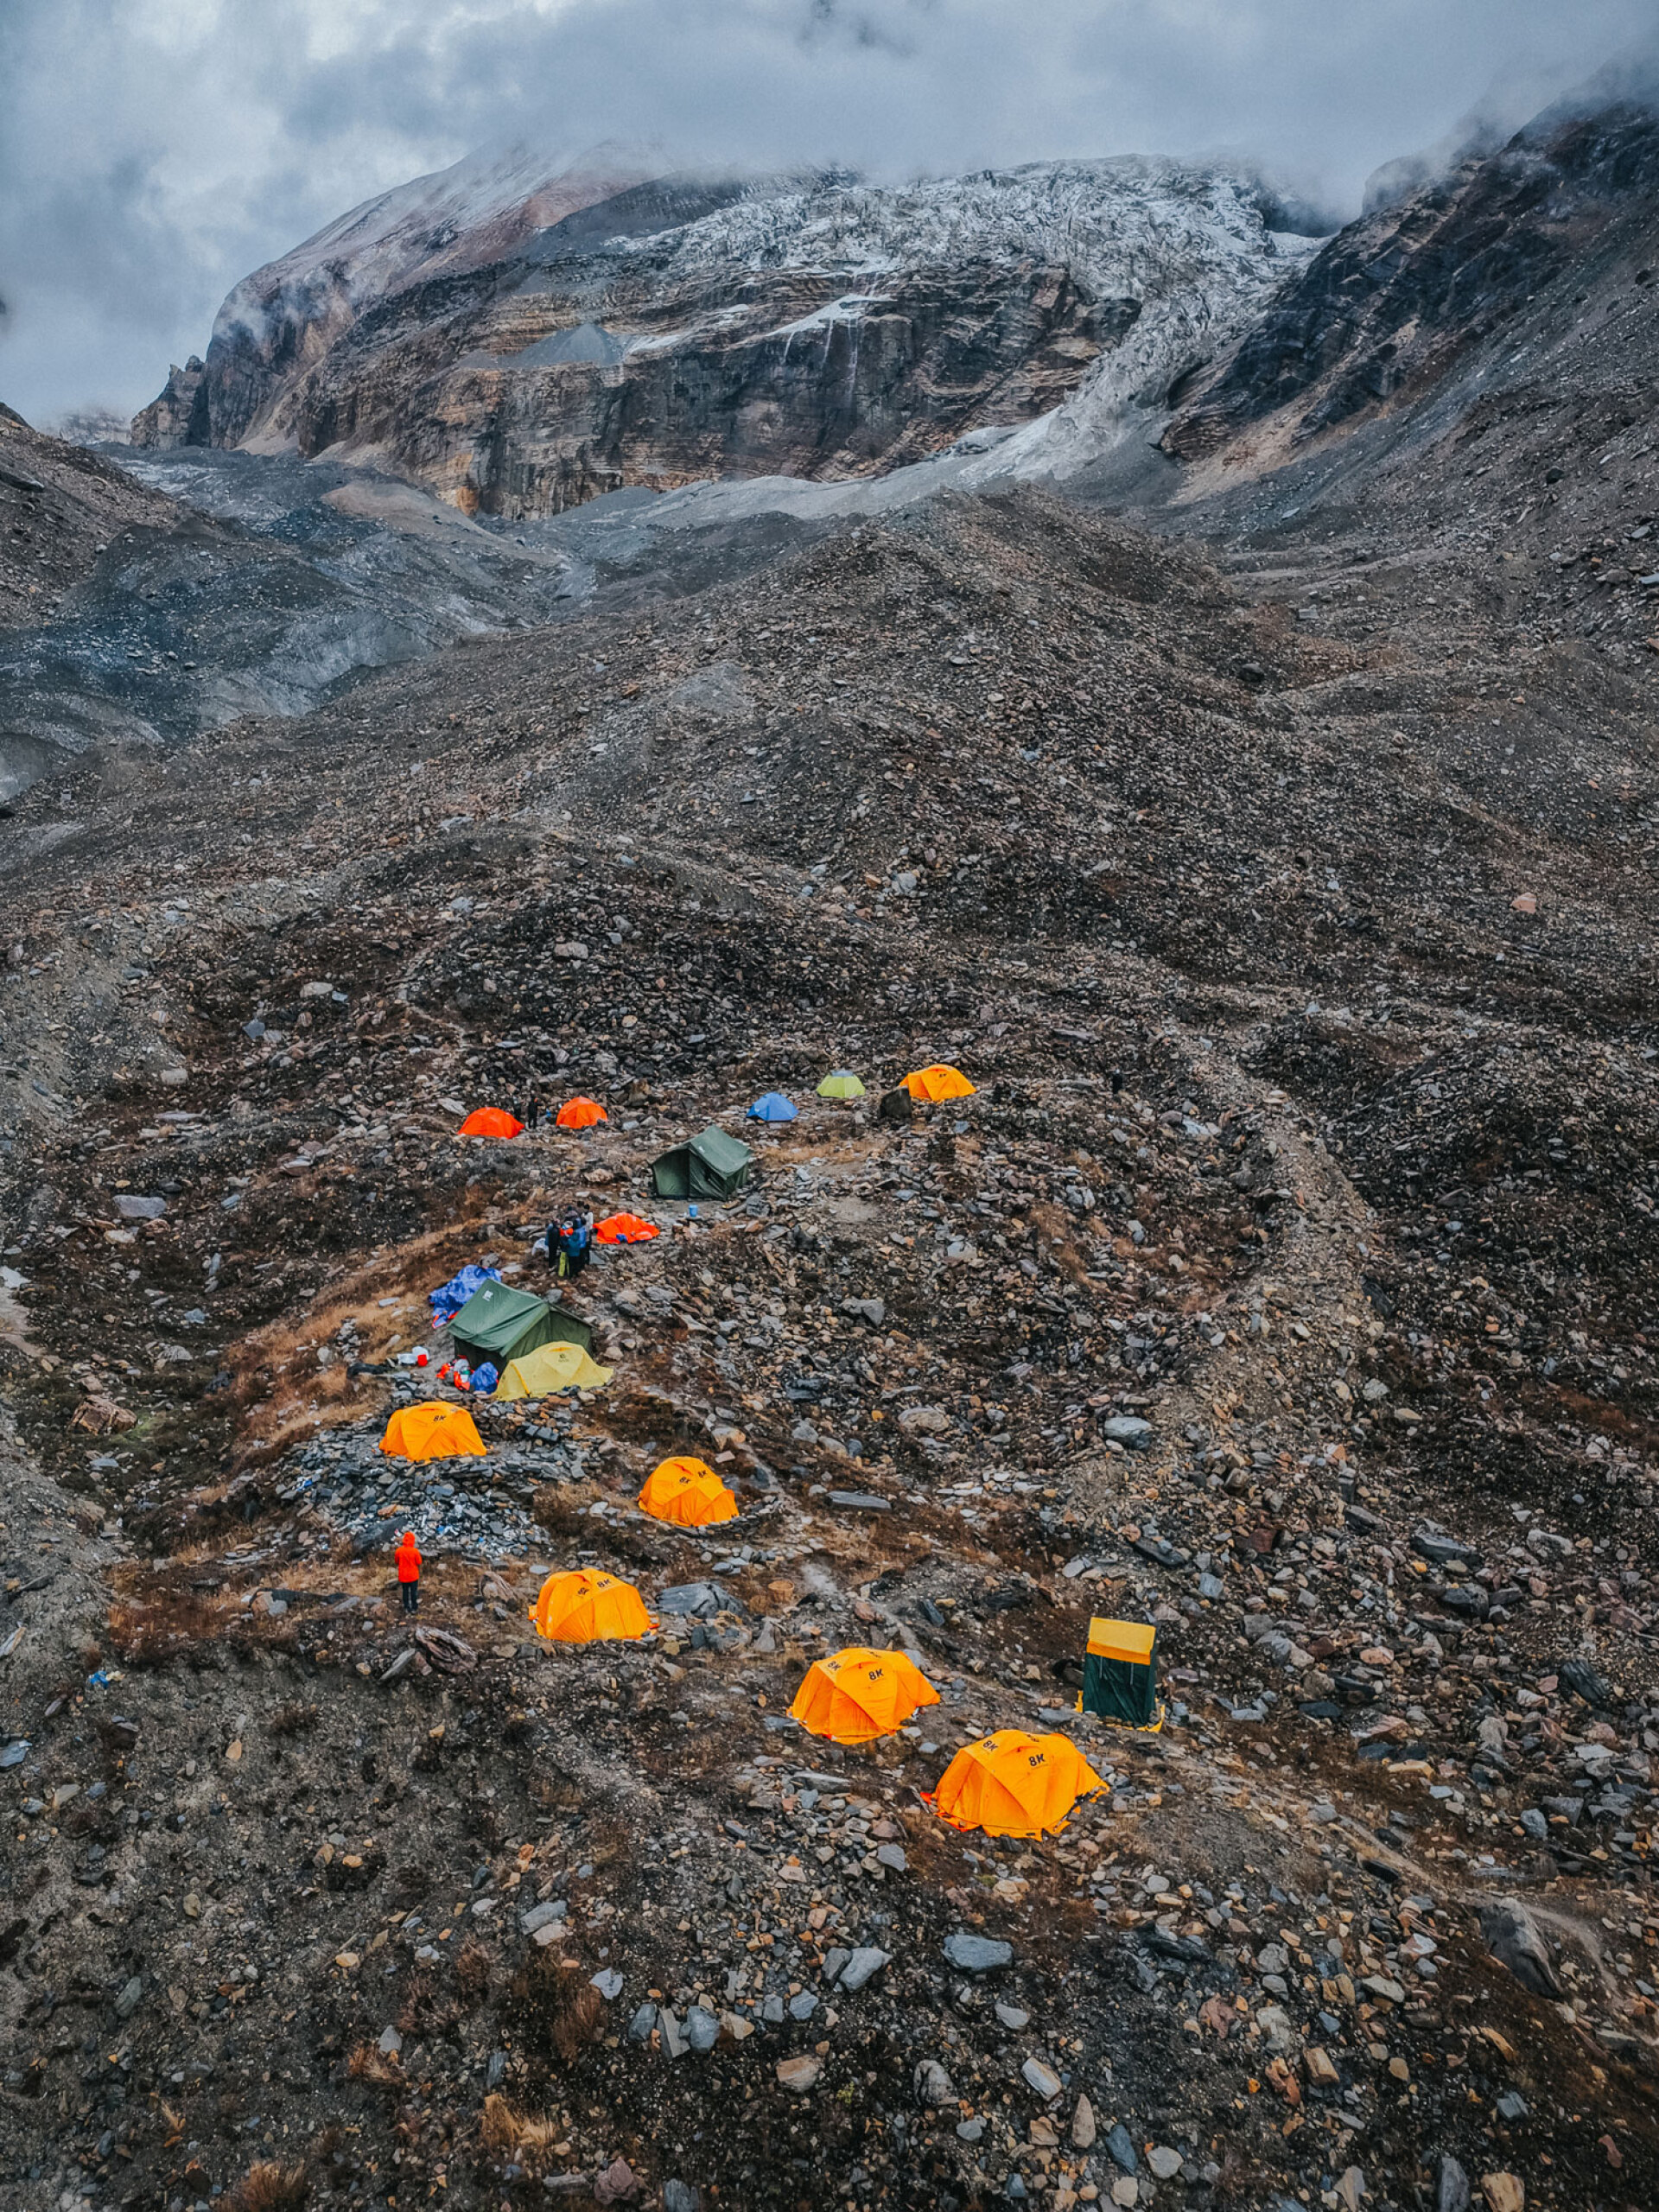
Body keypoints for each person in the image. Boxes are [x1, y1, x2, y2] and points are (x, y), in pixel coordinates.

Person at [550, 1205, 594, 1282]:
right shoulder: (582, 1230)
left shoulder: (568, 1233)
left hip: (567, 1250)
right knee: (577, 1260)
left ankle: (563, 1274)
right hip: (578, 1249)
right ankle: (575, 1272)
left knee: (565, 1261)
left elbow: (565, 1240)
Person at [396, 1529, 422, 1614]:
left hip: (403, 1575)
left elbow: (397, 1561)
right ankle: (414, 1607)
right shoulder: (415, 1551)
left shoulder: (399, 1551)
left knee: (405, 1591)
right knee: (414, 1592)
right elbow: (419, 1562)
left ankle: (406, 1607)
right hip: (413, 1575)